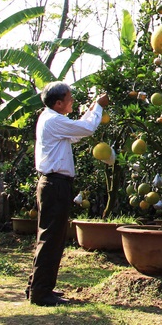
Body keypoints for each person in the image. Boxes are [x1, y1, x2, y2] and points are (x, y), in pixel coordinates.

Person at [25, 82, 109, 306]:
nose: (72, 101)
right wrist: (98, 106)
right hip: (55, 184)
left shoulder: (51, 119)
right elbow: (87, 129)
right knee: (51, 237)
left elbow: (76, 134)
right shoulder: (53, 119)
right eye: (69, 98)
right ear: (58, 103)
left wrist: (92, 109)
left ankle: (39, 287)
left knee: (51, 236)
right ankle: (41, 293)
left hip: (53, 184)